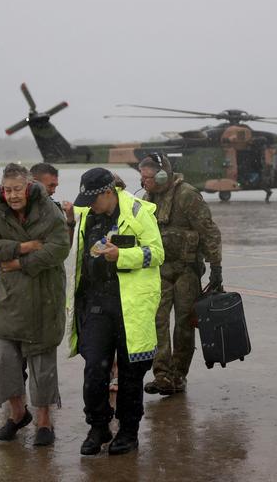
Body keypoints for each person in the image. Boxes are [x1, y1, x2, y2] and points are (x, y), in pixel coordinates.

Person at [68, 167, 163, 456]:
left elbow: (156, 253)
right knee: (94, 368)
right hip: (97, 302)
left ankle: (128, 431)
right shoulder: (87, 214)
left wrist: (122, 255)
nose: (90, 206)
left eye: (94, 200)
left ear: (108, 193)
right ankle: (98, 426)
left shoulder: (137, 211)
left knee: (131, 375)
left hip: (131, 305)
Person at [0, 163, 70, 446]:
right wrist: (24, 247)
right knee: (4, 359)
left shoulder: (48, 209)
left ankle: (44, 420)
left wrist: (20, 263)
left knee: (42, 364)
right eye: (7, 189)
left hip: (44, 295)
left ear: (28, 187)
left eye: (17, 189)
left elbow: (59, 247)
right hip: (9, 298)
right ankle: (17, 414)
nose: (13, 195)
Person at [138, 152, 222, 396]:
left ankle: (178, 375)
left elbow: (209, 231)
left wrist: (216, 266)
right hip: (159, 270)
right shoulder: (147, 198)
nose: (144, 182)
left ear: (163, 174)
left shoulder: (187, 195)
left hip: (186, 270)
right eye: (142, 177)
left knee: (184, 323)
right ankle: (162, 374)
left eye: (148, 177)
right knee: (157, 321)